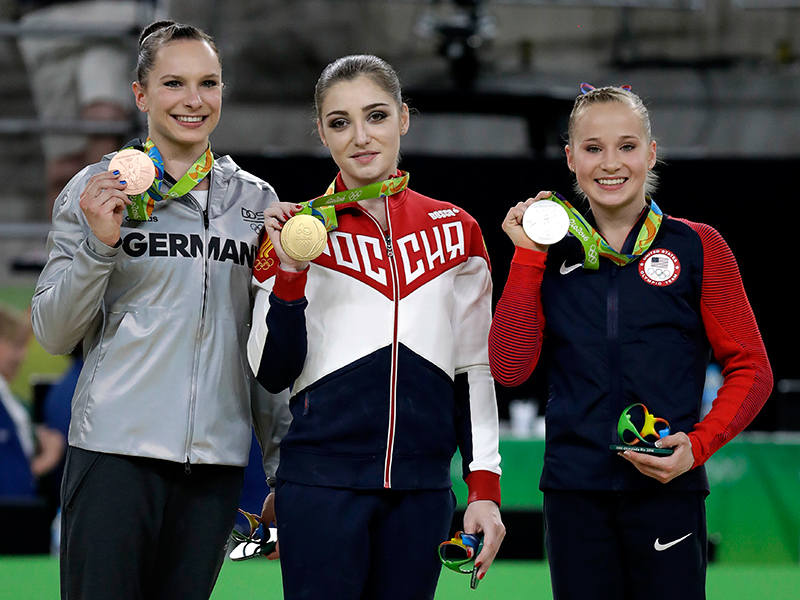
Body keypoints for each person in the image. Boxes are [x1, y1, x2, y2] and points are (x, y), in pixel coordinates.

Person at [30, 20, 289, 600]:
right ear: (141, 94)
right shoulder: (94, 191)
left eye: (209, 83)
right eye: (174, 83)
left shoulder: (257, 202)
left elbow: (266, 346)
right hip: (114, 453)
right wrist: (100, 245)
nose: (194, 100)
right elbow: (52, 331)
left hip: (215, 468)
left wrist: (281, 466)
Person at [488, 85, 773, 600]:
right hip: (575, 494)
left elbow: (753, 368)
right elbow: (510, 368)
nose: (610, 163)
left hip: (668, 489)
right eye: (593, 148)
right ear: (571, 157)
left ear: (652, 152)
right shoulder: (549, 253)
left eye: (627, 146)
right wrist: (527, 256)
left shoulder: (699, 246)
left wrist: (698, 447)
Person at [248, 54, 505, 599]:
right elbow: (271, 372)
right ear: (321, 132)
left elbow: (473, 370)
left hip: (421, 490)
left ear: (404, 118)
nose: (361, 137)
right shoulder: (296, 231)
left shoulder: (457, 231)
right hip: (319, 486)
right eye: (340, 122)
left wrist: (483, 488)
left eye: (376, 116)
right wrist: (290, 272)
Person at [17, 0, 156, 212]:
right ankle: (69, 240)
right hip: (46, 21)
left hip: (113, 15)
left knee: (103, 118)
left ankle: (97, 232)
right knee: (64, 168)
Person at [0, 303, 65, 498]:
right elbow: (9, 482)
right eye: (16, 345)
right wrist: (47, 459)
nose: (22, 356)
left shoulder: (9, 399)